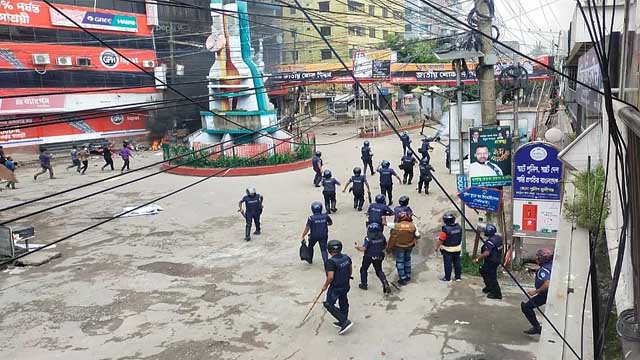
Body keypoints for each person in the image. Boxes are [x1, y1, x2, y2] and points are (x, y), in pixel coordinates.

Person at [322, 240, 354, 335]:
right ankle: (343, 318)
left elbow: (330, 276)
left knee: (328, 304)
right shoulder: (346, 258)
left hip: (336, 287)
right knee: (343, 300)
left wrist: (325, 286)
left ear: (329, 250)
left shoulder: (331, 262)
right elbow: (350, 269)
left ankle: (344, 321)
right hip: (346, 284)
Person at [521, 248, 554, 335]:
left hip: (545, 294)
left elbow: (547, 284)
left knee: (526, 307)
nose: (536, 259)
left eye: (538, 257)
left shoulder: (543, 270)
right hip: (552, 293)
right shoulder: (552, 265)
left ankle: (537, 327)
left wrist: (535, 291)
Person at [354, 222, 391, 293]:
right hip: (379, 255)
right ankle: (385, 283)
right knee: (379, 270)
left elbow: (364, 249)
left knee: (363, 269)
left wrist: (357, 247)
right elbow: (385, 246)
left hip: (369, 256)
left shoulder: (368, 239)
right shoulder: (382, 237)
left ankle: (364, 284)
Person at [385, 212, 420, 285]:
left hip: (399, 247)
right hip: (409, 246)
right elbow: (418, 236)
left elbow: (392, 239)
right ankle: (408, 275)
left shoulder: (396, 226)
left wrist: (389, 248)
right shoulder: (413, 226)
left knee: (400, 262)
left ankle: (402, 278)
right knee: (407, 260)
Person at [473, 224, 503, 299]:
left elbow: (487, 253)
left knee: (492, 277)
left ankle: (497, 293)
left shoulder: (490, 242)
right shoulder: (498, 238)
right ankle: (489, 287)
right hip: (496, 260)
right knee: (483, 270)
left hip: (491, 261)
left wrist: (478, 259)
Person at [301, 202, 333, 266]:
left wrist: (303, 235)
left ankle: (310, 259)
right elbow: (330, 223)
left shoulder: (311, 218)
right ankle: (326, 263)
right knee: (323, 249)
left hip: (314, 236)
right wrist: (324, 224)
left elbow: (307, 228)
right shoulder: (325, 216)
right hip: (324, 235)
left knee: (310, 247)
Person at [436, 212, 463, 282]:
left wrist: (436, 247)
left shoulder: (445, 230)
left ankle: (447, 278)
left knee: (448, 264)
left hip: (448, 250)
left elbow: (440, 240)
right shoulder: (459, 227)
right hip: (457, 248)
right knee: (457, 263)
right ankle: (458, 277)